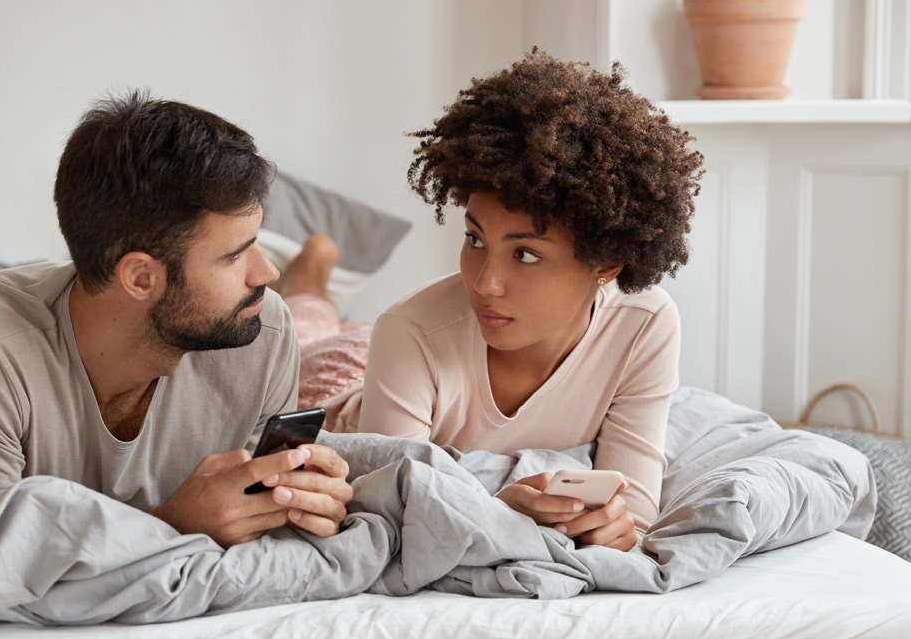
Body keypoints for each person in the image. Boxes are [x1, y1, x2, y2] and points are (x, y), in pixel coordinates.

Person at [0, 92, 353, 547]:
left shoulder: (263, 329)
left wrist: (295, 501)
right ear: (141, 278)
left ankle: (315, 269)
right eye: (235, 256)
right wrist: (172, 526)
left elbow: (253, 508)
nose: (267, 274)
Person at [299, 49, 703, 551]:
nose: (485, 283)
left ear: (606, 265)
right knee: (306, 325)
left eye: (527, 255)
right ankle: (312, 269)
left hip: (393, 355)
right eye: (474, 240)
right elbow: (391, 513)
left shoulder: (644, 324)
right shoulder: (408, 331)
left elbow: (635, 511)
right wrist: (498, 511)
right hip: (344, 375)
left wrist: (616, 527)